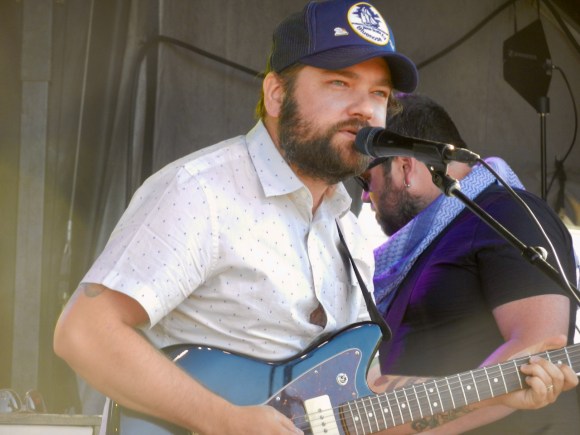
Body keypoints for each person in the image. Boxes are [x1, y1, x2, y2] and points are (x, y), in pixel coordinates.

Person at [54, 2, 578, 434]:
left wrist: (499, 393)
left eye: (378, 94)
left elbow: (365, 403)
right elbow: (84, 333)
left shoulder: (347, 230)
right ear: (276, 94)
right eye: (339, 83)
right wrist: (226, 421)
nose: (365, 109)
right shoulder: (203, 191)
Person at [359, 92, 580, 433]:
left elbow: (539, 348)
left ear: (405, 167)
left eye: (365, 179)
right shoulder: (429, 242)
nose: (363, 195)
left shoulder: (506, 214)